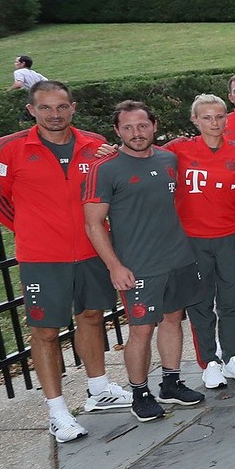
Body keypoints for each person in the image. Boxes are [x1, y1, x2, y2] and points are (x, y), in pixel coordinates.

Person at [0, 81, 132, 441]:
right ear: (32, 110)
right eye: (45, 108)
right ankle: (57, 411)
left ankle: (98, 389)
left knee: (92, 317)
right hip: (42, 257)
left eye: (61, 107)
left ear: (73, 108)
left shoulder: (95, 146)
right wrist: (35, 229)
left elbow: (113, 188)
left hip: (92, 251)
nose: (54, 114)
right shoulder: (7, 149)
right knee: (46, 332)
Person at [83, 101, 207, 422]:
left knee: (173, 319)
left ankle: (171, 382)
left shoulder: (168, 159)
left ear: (154, 126)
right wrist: (114, 265)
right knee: (140, 330)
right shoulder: (106, 167)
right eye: (127, 128)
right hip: (139, 265)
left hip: (177, 257)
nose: (136, 133)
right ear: (117, 131)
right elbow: (93, 223)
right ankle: (140, 393)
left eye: (142, 126)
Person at [165, 95, 235, 390]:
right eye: (207, 117)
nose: (214, 123)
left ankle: (232, 356)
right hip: (193, 240)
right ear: (195, 120)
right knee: (201, 303)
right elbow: (142, 156)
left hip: (229, 236)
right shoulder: (179, 150)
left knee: (231, 300)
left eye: (219, 117)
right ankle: (210, 362)